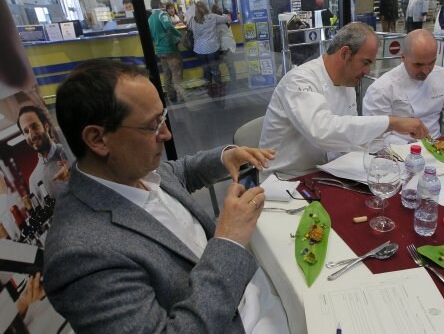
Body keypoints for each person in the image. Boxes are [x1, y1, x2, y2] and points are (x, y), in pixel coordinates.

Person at [43, 59, 289, 333]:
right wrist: (229, 240)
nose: (167, 133)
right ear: (98, 139)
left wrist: (225, 156)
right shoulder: (80, 257)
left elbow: (178, 171)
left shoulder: (129, 168)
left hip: (253, 291)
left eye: (163, 117)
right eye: (151, 126)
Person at [259, 22, 428, 179]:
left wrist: (382, 157)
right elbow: (322, 132)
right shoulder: (299, 80)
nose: (367, 70)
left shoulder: (347, 83)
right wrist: (391, 122)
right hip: (285, 178)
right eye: (365, 62)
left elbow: (347, 133)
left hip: (326, 171)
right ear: (345, 53)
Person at [17, 105, 70, 201]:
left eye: (34, 126)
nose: (31, 135)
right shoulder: (33, 181)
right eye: (26, 131)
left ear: (46, 126)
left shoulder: (70, 152)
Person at [148, 0, 185, 103]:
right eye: (162, 3)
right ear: (159, 5)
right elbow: (168, 27)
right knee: (177, 73)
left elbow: (150, 36)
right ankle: (181, 97)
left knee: (167, 73)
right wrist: (180, 36)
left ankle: (171, 96)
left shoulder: (150, 18)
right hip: (170, 48)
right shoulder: (162, 14)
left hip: (160, 50)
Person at [190, 1, 230, 97]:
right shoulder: (212, 17)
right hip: (212, 48)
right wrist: (222, 13)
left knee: (206, 70)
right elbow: (227, 19)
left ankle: (209, 91)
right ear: (206, 7)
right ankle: (220, 90)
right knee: (215, 69)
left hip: (199, 50)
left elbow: (189, 29)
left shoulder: (192, 19)